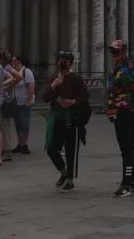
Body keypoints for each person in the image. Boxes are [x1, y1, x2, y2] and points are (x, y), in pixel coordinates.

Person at [41, 49, 88, 191]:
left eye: (65, 60)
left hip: (71, 118)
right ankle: (63, 171)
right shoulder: (54, 78)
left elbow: (85, 95)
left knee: (70, 149)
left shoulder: (76, 79)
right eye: (60, 59)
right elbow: (44, 97)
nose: (62, 62)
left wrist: (73, 102)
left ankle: (70, 179)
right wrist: (55, 84)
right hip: (56, 117)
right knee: (51, 148)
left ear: (71, 62)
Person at [105, 38, 134, 197]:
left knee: (126, 148)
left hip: (127, 112)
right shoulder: (116, 68)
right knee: (126, 147)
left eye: (117, 51)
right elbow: (111, 92)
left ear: (124, 52)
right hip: (118, 112)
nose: (114, 54)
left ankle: (126, 182)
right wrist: (110, 110)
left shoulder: (128, 69)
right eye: (112, 51)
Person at [8, 54, 36, 153]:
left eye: (14, 61)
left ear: (19, 61)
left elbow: (31, 87)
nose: (12, 63)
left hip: (24, 102)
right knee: (18, 124)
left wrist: (28, 101)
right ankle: (20, 144)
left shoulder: (26, 71)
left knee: (24, 123)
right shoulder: (13, 72)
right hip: (15, 102)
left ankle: (24, 144)